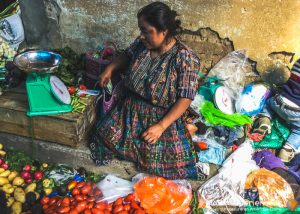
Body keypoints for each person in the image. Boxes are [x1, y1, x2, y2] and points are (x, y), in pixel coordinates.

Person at [89, 1, 205, 179]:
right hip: (130, 110)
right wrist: (110, 68)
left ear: (164, 31)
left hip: (161, 116)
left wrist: (160, 126)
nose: (141, 36)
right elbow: (127, 56)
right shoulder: (142, 45)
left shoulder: (184, 57)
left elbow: (185, 98)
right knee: (103, 136)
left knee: (164, 161)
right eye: (141, 30)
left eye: (146, 31)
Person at [253, 58, 300, 162]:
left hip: (279, 102)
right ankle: (288, 148)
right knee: (298, 131)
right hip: (296, 113)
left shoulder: (298, 62)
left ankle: (265, 119)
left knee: (269, 104)